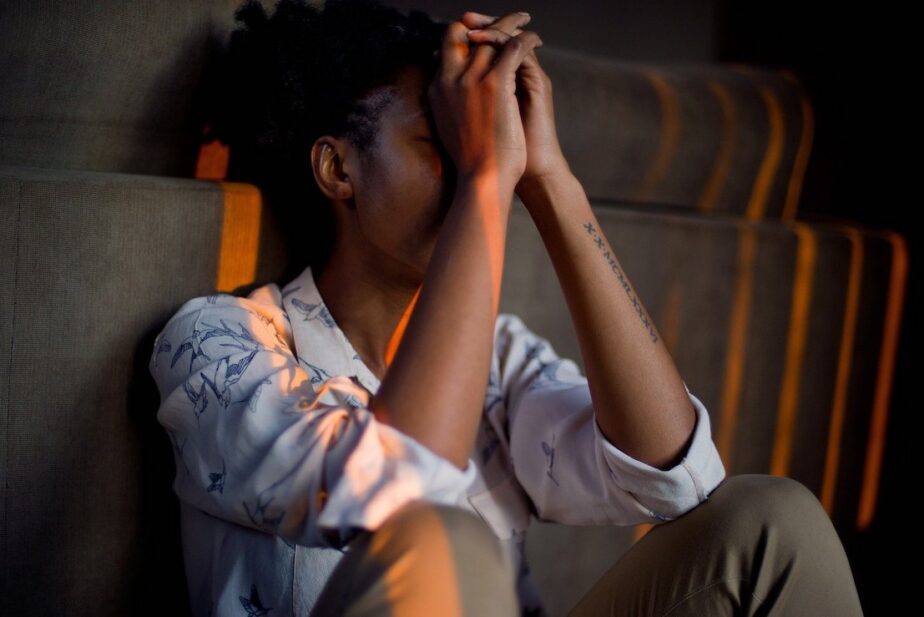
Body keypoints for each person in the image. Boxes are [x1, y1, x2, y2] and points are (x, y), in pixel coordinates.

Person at [149, 1, 866, 615]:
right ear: (339, 169)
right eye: (444, 143)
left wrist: (550, 177)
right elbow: (409, 485)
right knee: (441, 539)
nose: (473, 162)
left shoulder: (501, 355)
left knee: (771, 521)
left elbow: (681, 478)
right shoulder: (217, 344)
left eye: (482, 146)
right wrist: (488, 179)